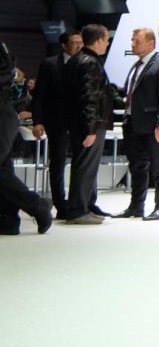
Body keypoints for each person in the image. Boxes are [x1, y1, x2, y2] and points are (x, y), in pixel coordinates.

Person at [115, 27, 159, 221]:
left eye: (137, 41)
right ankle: (136, 206)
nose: (133, 44)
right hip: (132, 123)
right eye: (132, 40)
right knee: (136, 167)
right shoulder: (136, 65)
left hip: (153, 126)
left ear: (151, 43)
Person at [0, 40, 53, 235]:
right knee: (3, 170)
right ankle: (8, 219)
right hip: (5, 114)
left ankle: (37, 205)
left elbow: (10, 75)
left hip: (2, 114)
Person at [64, 23, 113, 225]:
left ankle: (85, 206)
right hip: (89, 124)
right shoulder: (90, 62)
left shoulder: (76, 60)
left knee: (84, 165)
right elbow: (90, 97)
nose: (108, 44)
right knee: (85, 167)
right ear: (99, 40)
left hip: (78, 122)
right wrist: (91, 128)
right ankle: (78, 210)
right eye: (106, 40)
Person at [30, 30, 82, 218]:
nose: (79, 46)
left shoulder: (87, 63)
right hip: (56, 120)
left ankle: (82, 203)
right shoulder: (50, 64)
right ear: (64, 45)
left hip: (80, 121)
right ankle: (60, 205)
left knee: (82, 162)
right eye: (74, 42)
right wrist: (37, 120)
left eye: (81, 42)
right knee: (58, 162)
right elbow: (39, 95)